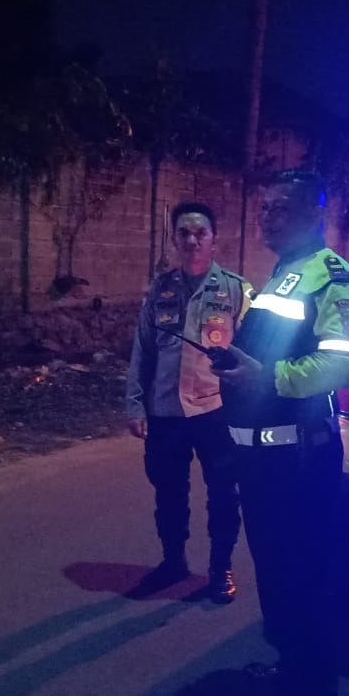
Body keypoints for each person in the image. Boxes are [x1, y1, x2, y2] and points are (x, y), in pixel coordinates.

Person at [213, 169, 349, 696]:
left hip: (299, 463)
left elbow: (347, 361)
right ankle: (292, 674)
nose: (268, 216)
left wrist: (270, 377)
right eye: (265, 207)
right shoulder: (284, 273)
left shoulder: (334, 278)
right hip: (266, 462)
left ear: (315, 215)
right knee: (278, 580)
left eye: (282, 207)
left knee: (301, 584)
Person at [126, 202, 250, 603]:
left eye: (200, 233)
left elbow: (252, 352)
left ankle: (220, 568)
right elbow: (143, 350)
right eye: (184, 233)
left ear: (214, 239)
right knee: (168, 494)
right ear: (174, 240)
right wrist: (135, 404)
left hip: (216, 412)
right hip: (166, 412)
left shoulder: (236, 290)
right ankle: (173, 562)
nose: (192, 240)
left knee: (223, 495)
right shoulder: (159, 290)